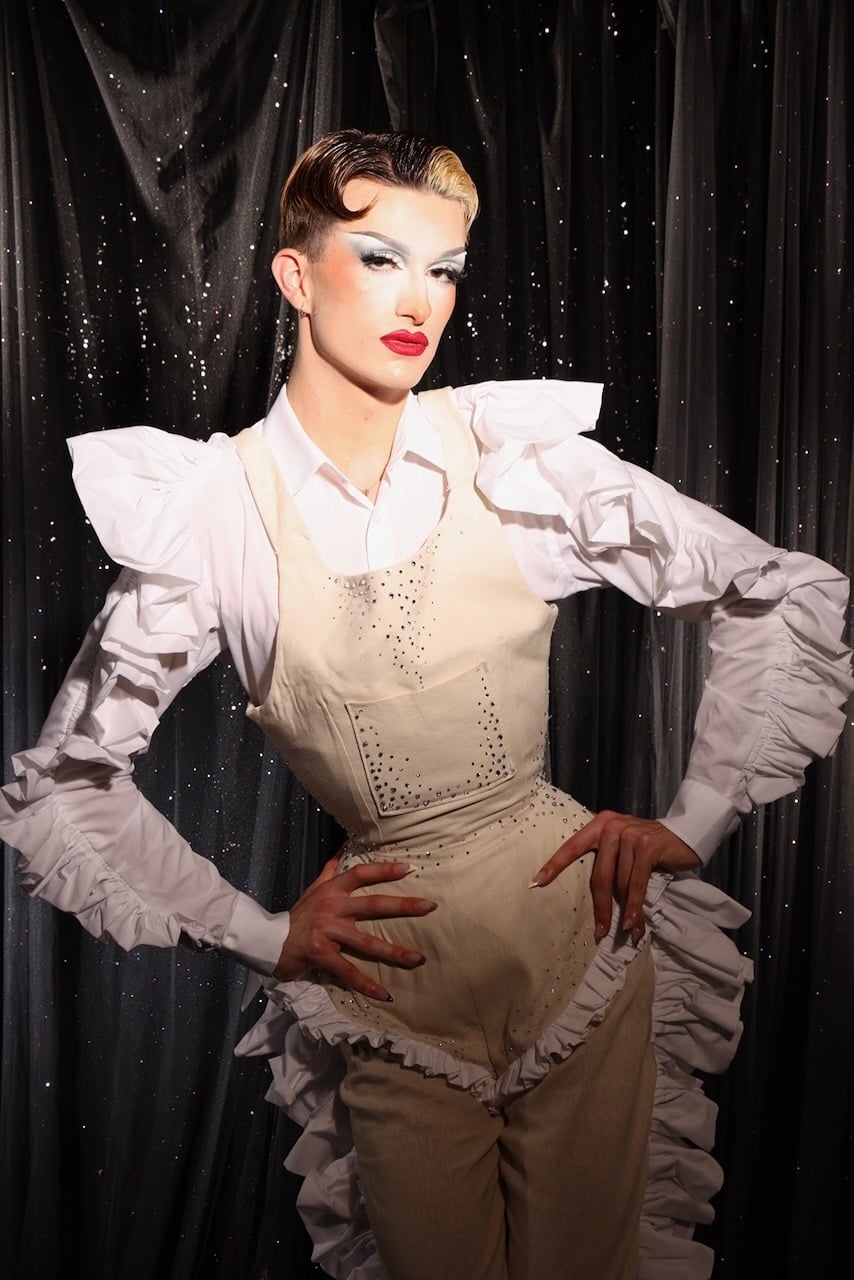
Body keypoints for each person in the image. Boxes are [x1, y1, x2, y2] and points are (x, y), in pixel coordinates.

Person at [1, 129, 850, 1280]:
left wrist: (692, 820)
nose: (420, 300)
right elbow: (69, 779)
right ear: (296, 276)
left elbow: (773, 591)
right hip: (389, 985)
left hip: (581, 941)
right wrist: (262, 932)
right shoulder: (214, 516)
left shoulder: (506, 461)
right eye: (380, 258)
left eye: (443, 268)